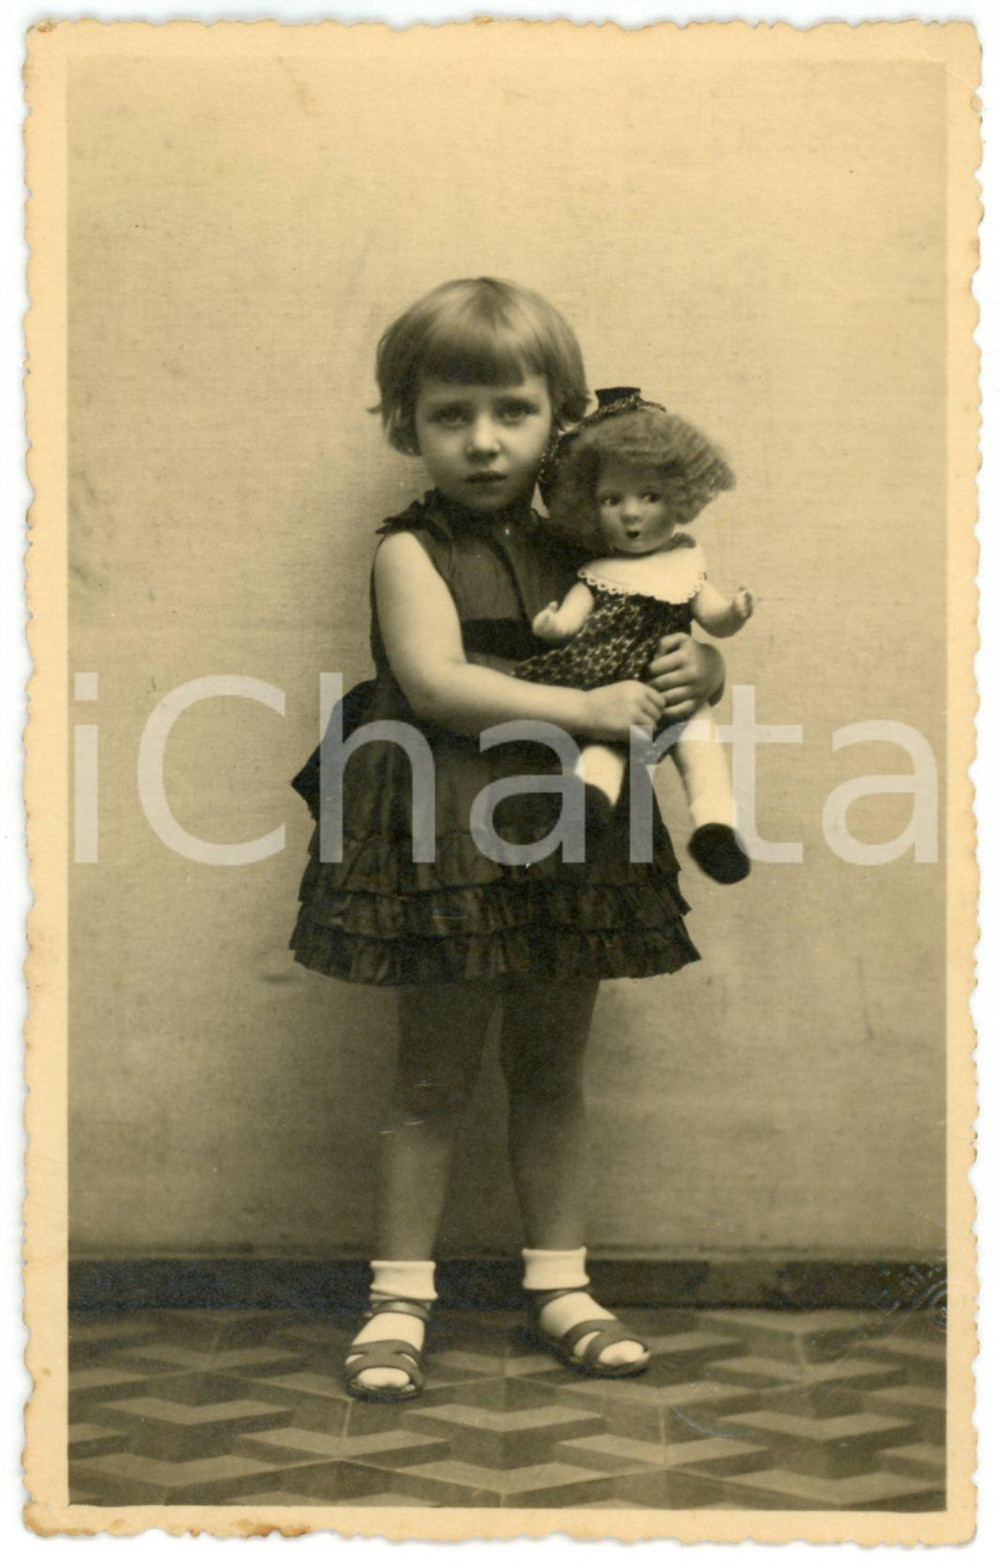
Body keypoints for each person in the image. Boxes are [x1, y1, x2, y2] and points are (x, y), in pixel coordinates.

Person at [289, 277, 726, 1401]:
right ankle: (399, 1295)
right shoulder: (409, 549)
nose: (483, 441)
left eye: (514, 412)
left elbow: (665, 631)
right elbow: (436, 685)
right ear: (406, 423)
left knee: (550, 1067)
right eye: (450, 415)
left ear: (563, 418)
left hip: (570, 824)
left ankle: (561, 1282)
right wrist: (586, 708)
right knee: (433, 1071)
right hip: (447, 820)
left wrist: (698, 669)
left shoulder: (597, 543)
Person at [515, 387, 754, 884]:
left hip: (677, 692)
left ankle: (715, 827)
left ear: (681, 499)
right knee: (605, 749)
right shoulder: (597, 571)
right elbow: (570, 620)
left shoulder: (685, 562)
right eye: (611, 499)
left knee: (702, 746)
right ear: (588, 507)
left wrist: (734, 612)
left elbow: (713, 617)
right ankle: (588, 804)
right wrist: (553, 625)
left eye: (651, 496)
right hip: (616, 697)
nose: (631, 513)